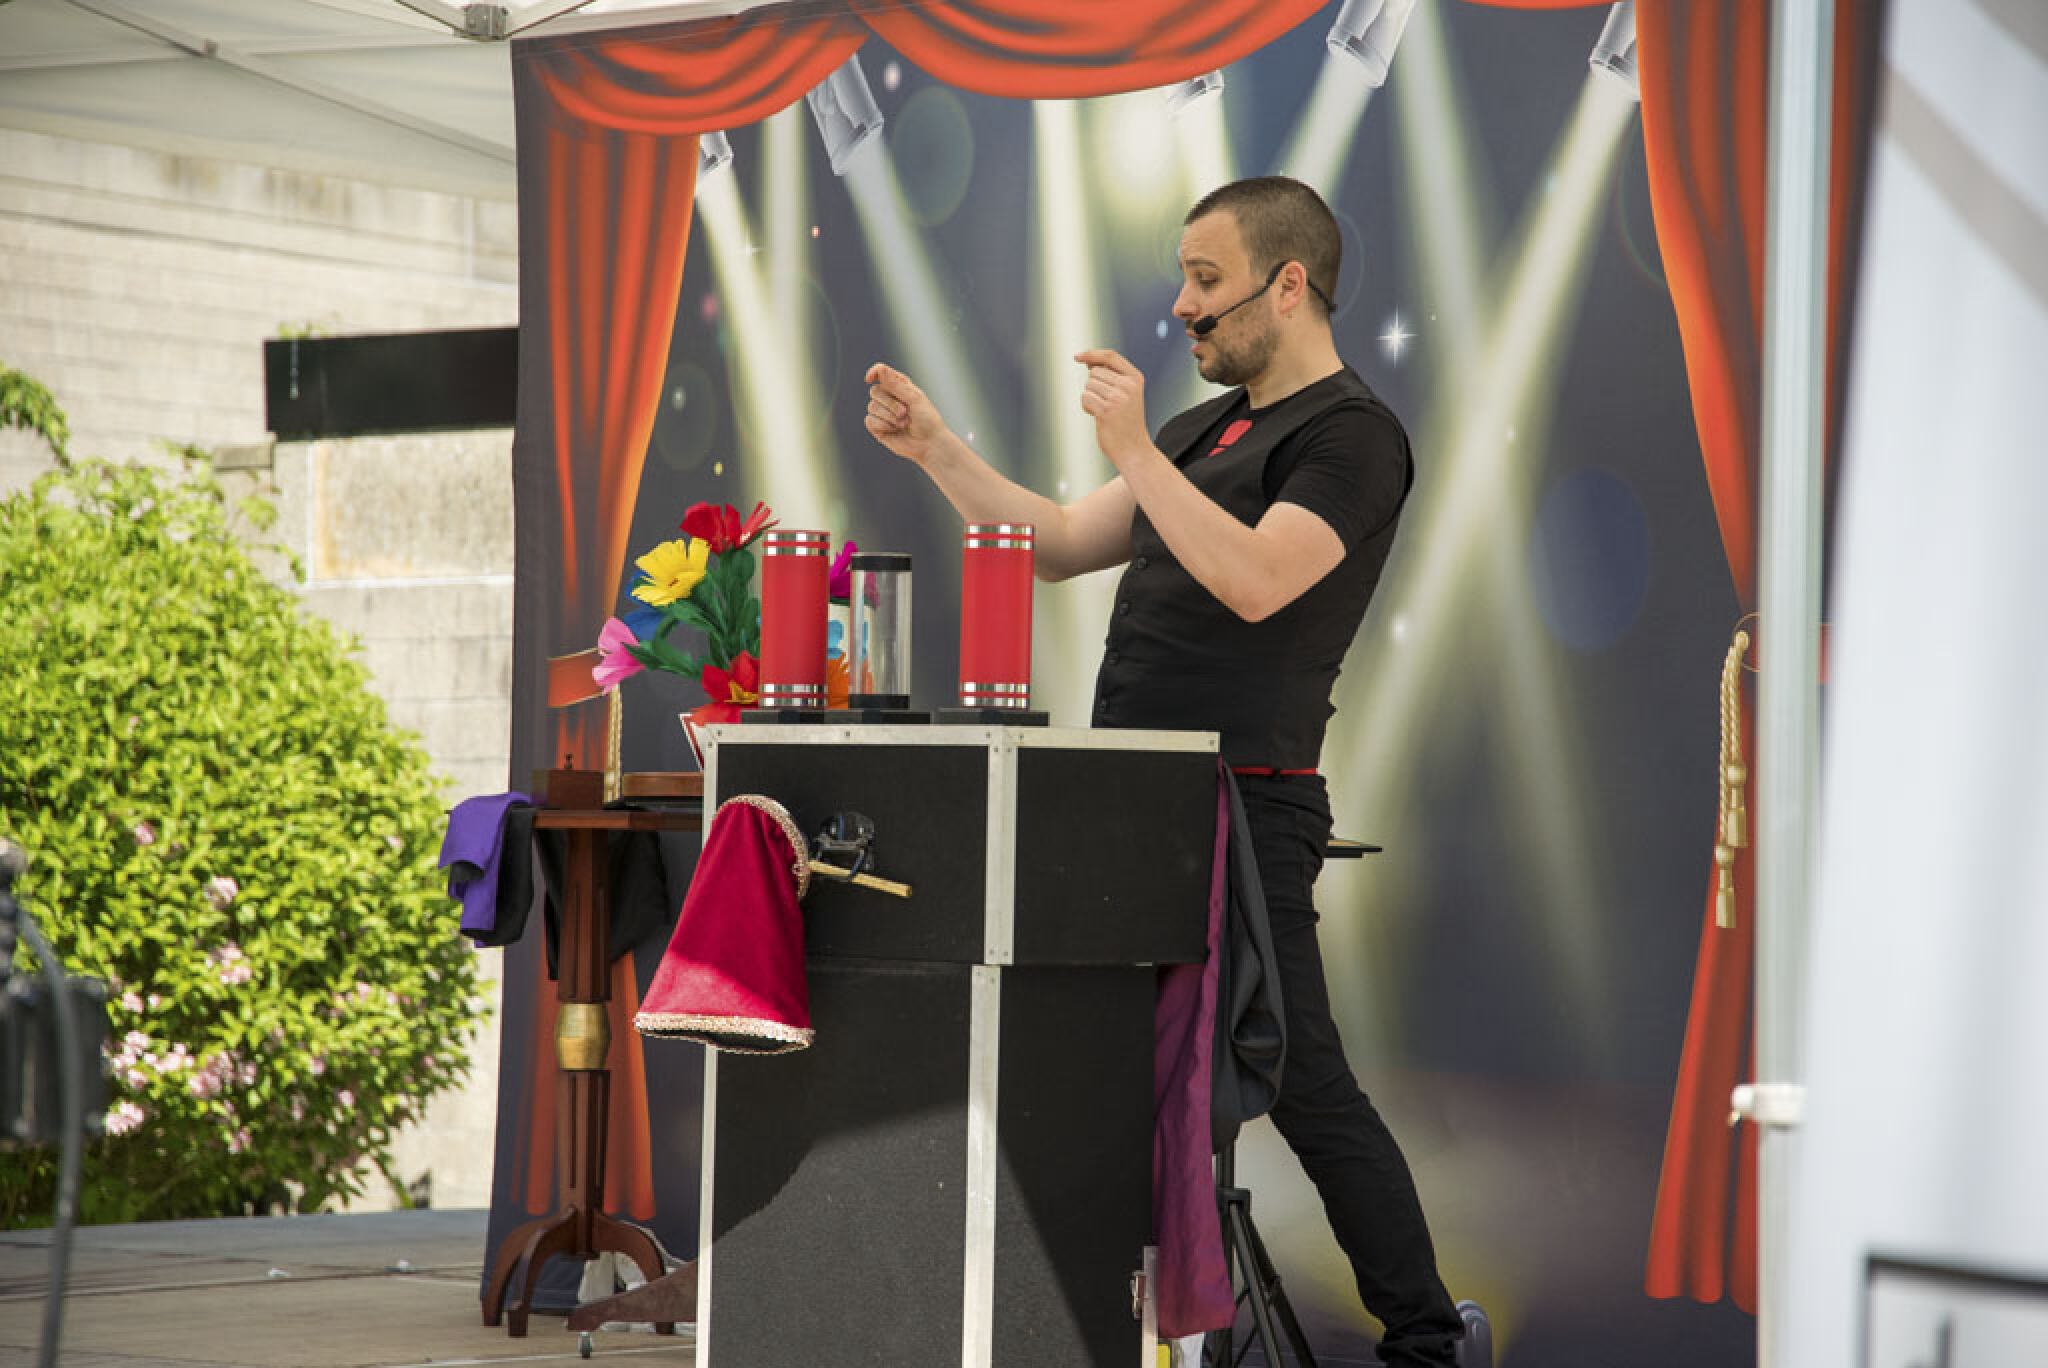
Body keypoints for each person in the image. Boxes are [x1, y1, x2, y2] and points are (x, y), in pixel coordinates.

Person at [862, 175, 1462, 1367]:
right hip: (1131, 800)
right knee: (1108, 1064)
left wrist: (1134, 449)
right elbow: (1051, 546)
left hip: (1247, 800)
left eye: (1205, 281)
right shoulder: (1201, 432)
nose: (1182, 308)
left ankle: (1426, 1339)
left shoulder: (1350, 435)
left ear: (1286, 287)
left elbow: (1256, 581)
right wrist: (936, 450)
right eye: (1181, 279)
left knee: (1300, 1080)